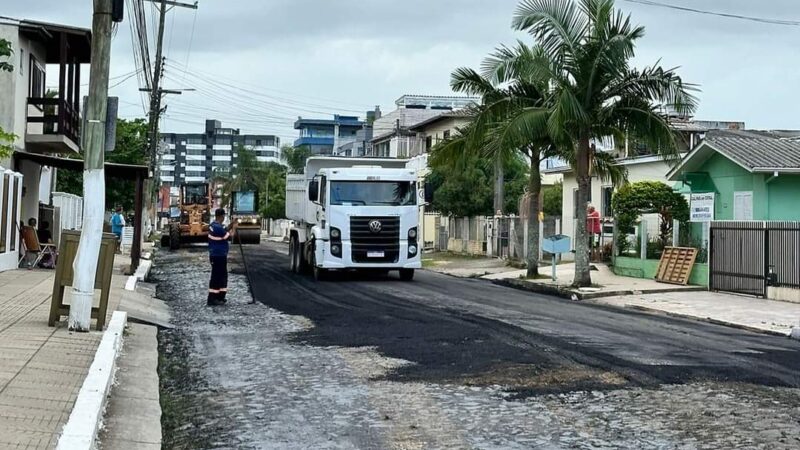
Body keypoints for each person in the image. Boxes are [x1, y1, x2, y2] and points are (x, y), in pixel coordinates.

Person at [207, 208, 238, 306]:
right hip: (218, 256)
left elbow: (225, 230)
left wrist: (231, 224)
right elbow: (230, 236)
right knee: (217, 277)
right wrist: (235, 228)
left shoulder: (215, 226)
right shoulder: (217, 227)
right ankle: (212, 298)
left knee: (222, 276)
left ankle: (221, 296)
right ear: (222, 216)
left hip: (219, 255)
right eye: (224, 216)